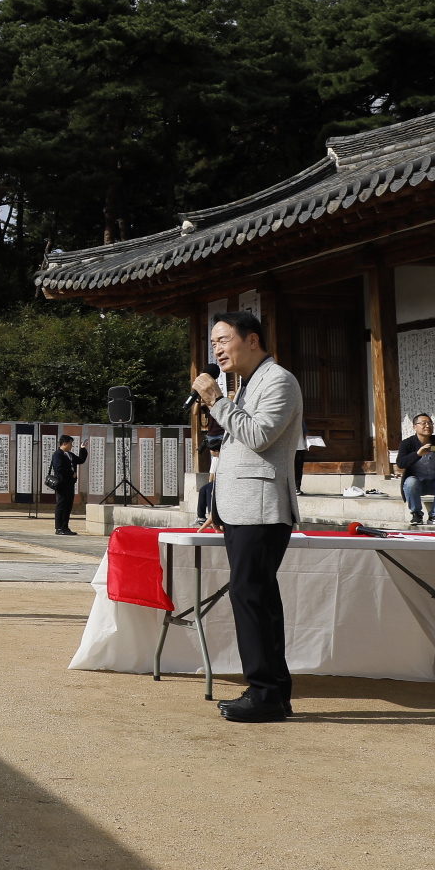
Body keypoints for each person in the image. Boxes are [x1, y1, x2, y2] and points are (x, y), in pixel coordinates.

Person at [192, 310, 304, 724]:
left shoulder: (278, 381)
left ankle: (265, 694)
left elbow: (258, 436)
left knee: (250, 596)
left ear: (252, 340)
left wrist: (215, 401)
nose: (217, 350)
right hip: (242, 508)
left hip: (262, 509)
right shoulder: (247, 384)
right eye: (213, 343)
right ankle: (272, 692)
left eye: (223, 340)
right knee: (258, 597)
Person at [47, 435, 88, 536]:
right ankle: (59, 528)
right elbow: (58, 468)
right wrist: (71, 473)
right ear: (64, 443)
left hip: (70, 483)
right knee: (61, 505)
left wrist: (83, 449)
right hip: (62, 483)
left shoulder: (69, 454)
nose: (71, 446)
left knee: (68, 506)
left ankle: (65, 527)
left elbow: (80, 460)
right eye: (70, 443)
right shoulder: (58, 454)